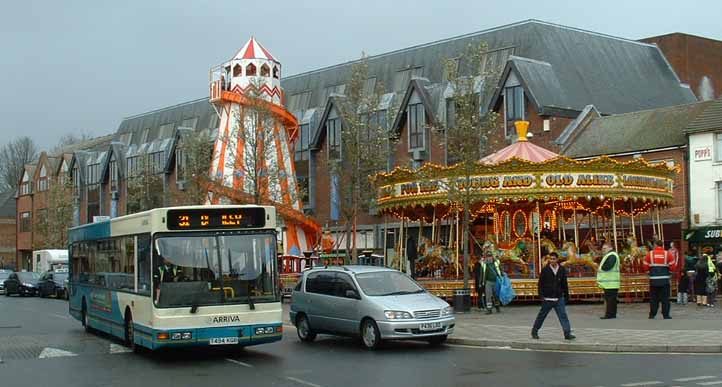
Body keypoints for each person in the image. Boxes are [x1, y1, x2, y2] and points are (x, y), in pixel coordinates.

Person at [531, 252, 575, 340]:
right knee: (542, 315)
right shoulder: (545, 270)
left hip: (559, 297)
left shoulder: (561, 269)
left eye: (554, 259)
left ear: (557, 259)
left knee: (563, 315)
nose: (552, 261)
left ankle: (567, 333)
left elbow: (564, 284)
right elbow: (540, 284)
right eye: (550, 259)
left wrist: (566, 296)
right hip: (548, 298)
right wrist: (541, 296)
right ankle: (534, 331)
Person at [643, 239, 677, 319]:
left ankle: (652, 314)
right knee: (665, 299)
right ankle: (666, 315)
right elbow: (673, 266)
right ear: (662, 245)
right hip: (665, 281)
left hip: (653, 280)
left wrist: (649, 272)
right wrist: (670, 273)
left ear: (655, 245)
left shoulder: (649, 254)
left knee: (654, 299)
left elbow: (645, 265)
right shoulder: (667, 254)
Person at [597, 242, 620, 319]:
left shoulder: (611, 255)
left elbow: (608, 266)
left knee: (610, 300)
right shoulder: (610, 255)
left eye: (605, 248)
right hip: (610, 282)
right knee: (611, 300)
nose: (603, 250)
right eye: (603, 248)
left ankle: (609, 314)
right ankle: (612, 314)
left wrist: (603, 267)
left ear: (610, 248)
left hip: (610, 282)